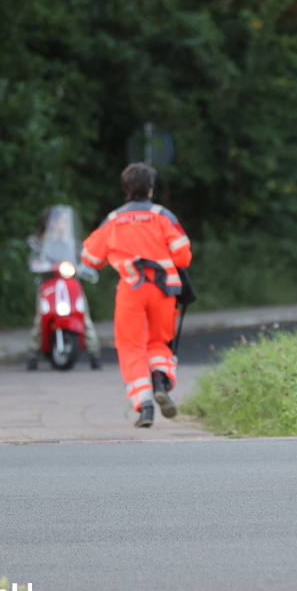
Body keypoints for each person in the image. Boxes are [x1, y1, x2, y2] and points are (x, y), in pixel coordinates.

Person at [81, 163, 192, 428]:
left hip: (132, 290)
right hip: (164, 290)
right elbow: (183, 256)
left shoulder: (114, 219)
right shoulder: (163, 215)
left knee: (131, 348)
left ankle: (145, 406)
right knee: (159, 343)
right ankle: (161, 384)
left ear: (126, 189)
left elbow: (90, 259)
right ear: (151, 189)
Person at [26, 206, 102, 371]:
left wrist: (85, 267)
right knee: (41, 315)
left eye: (67, 221)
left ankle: (94, 353)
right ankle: (33, 354)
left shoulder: (73, 243)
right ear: (52, 223)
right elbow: (34, 260)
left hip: (71, 284)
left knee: (83, 315)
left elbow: (83, 260)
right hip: (50, 284)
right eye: (61, 221)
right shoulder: (43, 243)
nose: (65, 224)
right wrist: (40, 264)